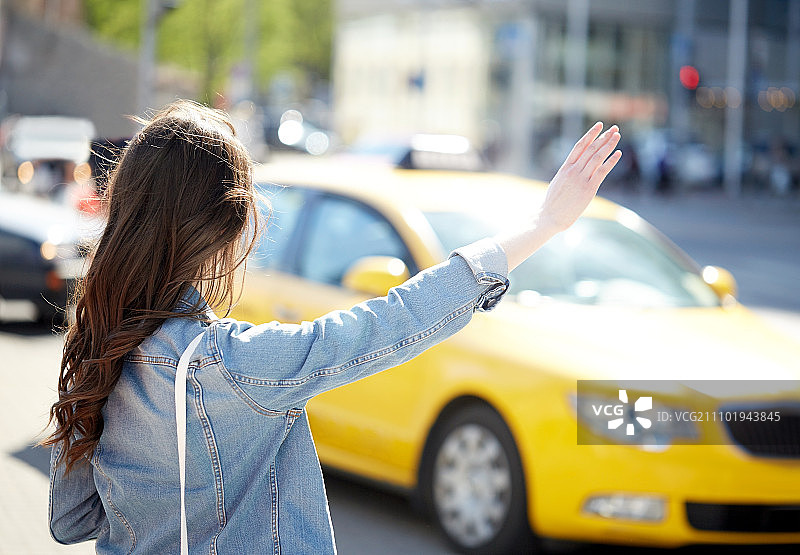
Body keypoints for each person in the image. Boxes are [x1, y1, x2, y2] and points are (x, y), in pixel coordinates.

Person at [43, 100, 621, 554]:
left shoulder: (99, 344)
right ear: (228, 229)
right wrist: (544, 224)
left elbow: (71, 520)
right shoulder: (231, 364)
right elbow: (392, 322)